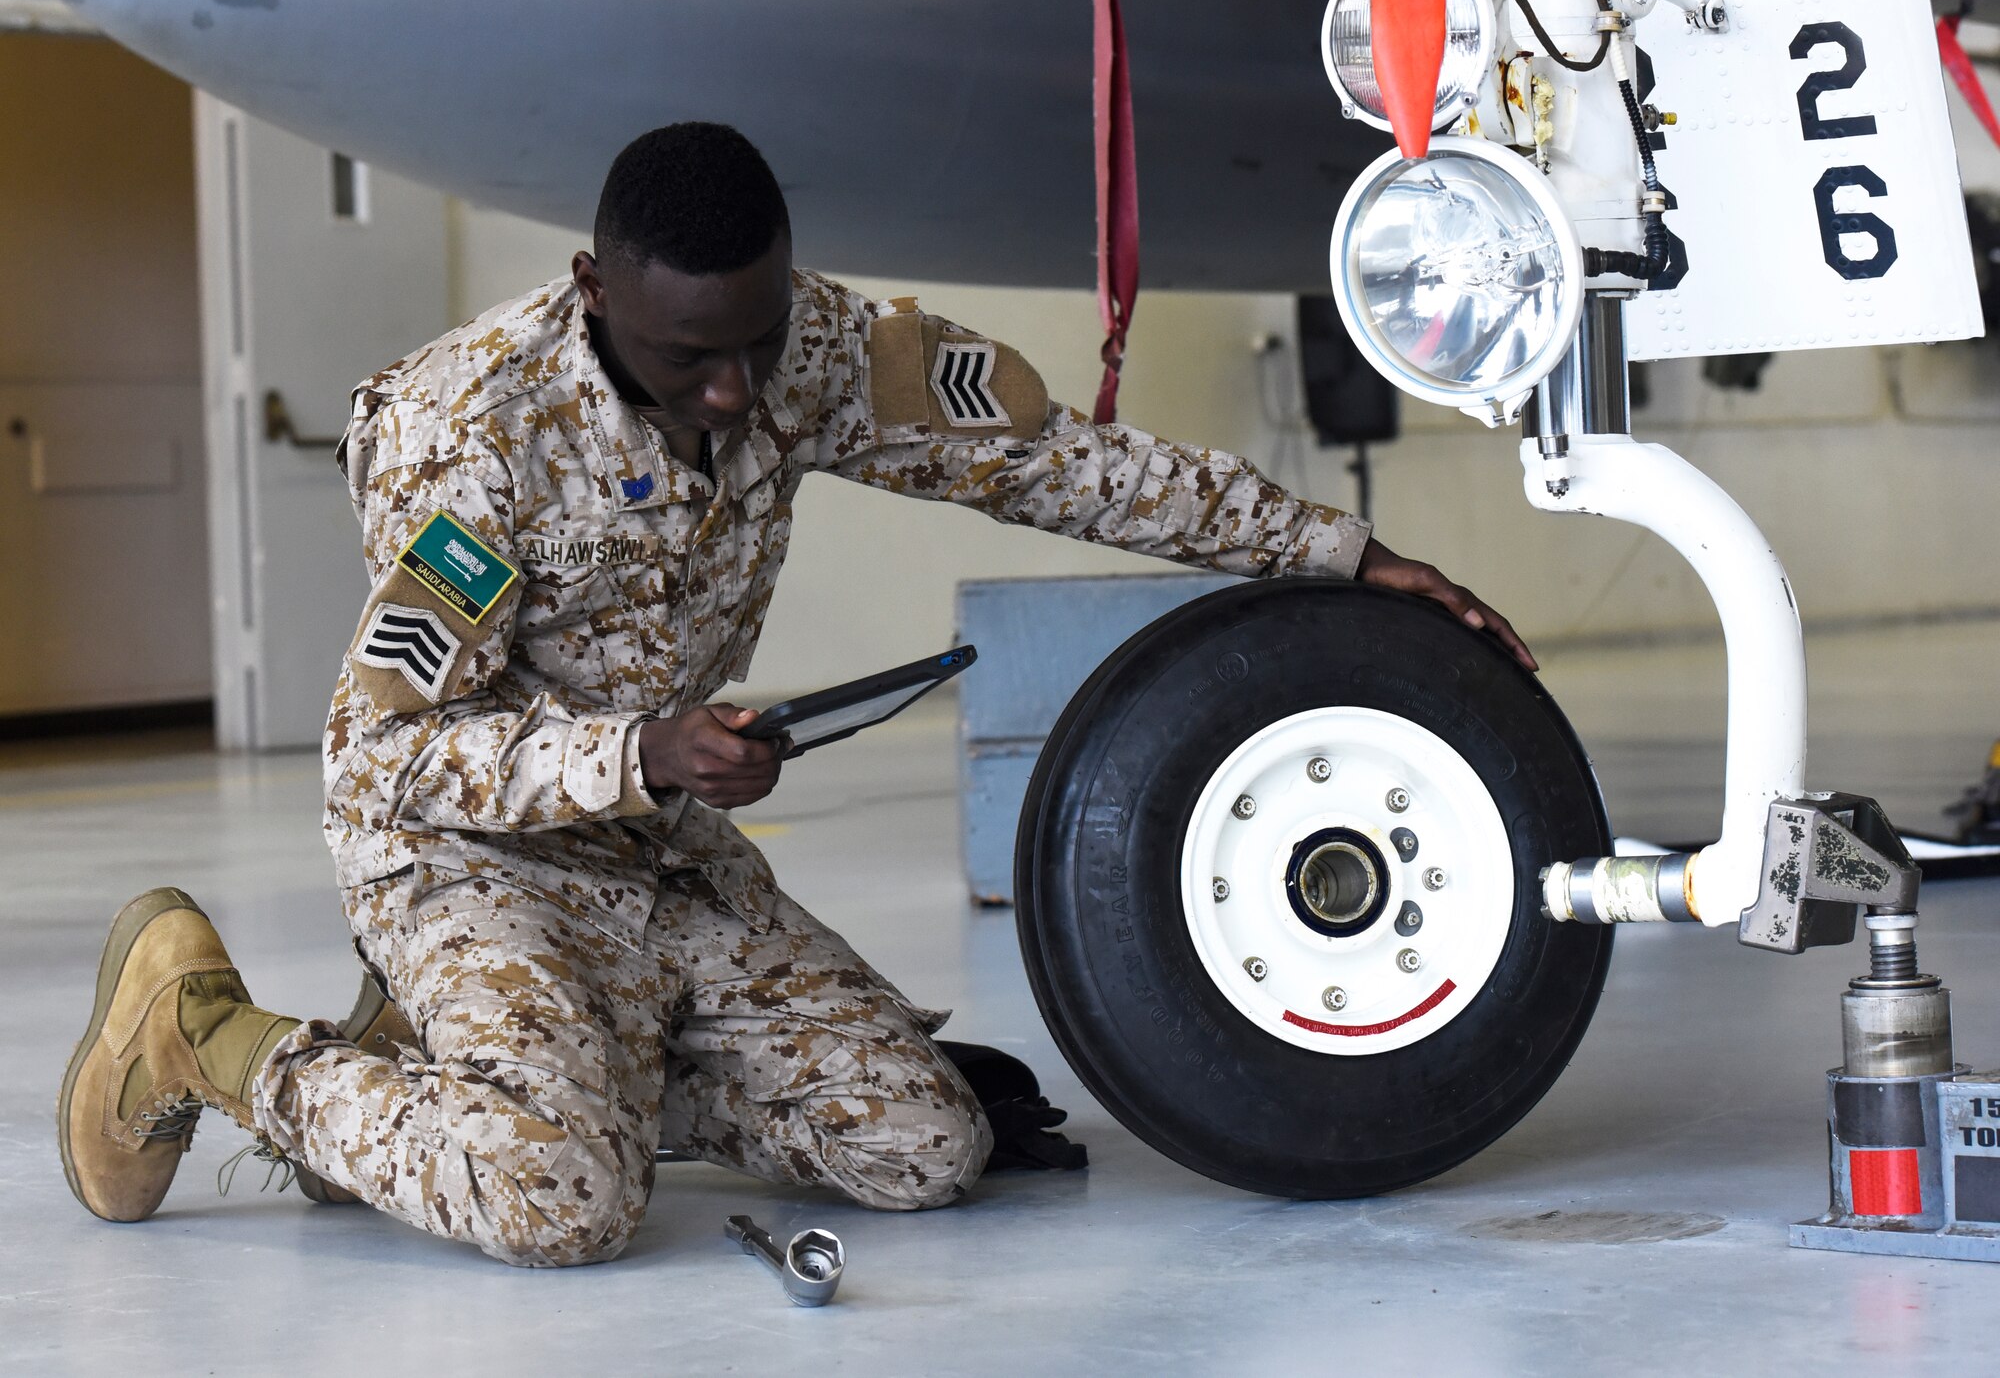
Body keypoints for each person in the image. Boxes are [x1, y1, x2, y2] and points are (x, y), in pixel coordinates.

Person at [60, 122, 1535, 1267]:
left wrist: (1340, 553)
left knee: (920, 1148)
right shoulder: (473, 440)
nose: (732, 392)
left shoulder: (812, 349)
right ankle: (207, 1036)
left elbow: (1062, 465)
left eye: (754, 342)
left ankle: (484, 1067)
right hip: (472, 853)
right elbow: (384, 762)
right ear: (594, 292)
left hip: (658, 846)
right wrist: (641, 751)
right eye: (688, 356)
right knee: (564, 1198)